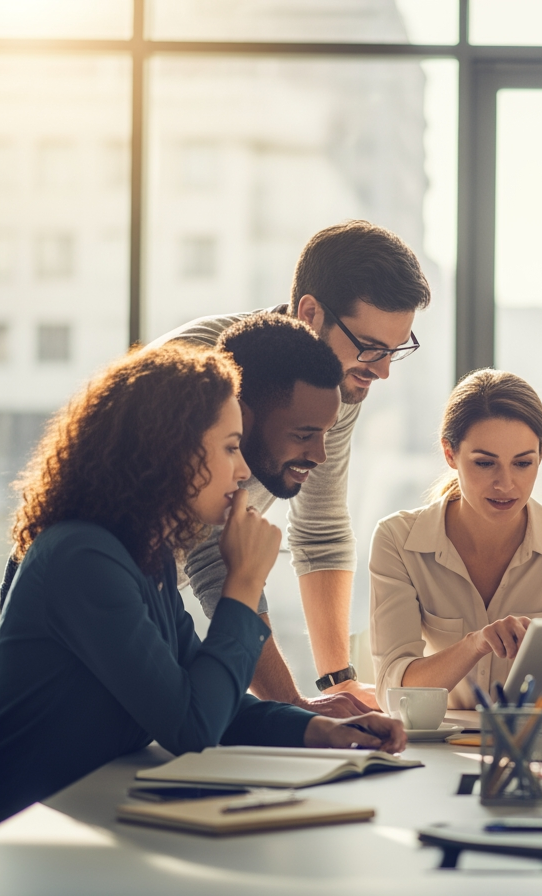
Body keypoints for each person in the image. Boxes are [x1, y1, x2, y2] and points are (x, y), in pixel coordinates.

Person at [0, 344, 404, 821]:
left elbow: (206, 697)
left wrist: (317, 728)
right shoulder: (84, 558)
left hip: (93, 813)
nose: (242, 471)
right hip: (20, 835)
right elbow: (193, 726)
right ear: (169, 451)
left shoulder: (146, 558)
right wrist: (242, 582)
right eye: (229, 448)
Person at [155, 220, 432, 711]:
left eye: (396, 350)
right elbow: (212, 551)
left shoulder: (341, 382)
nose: (383, 370)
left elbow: (320, 528)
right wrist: (295, 710)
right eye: (370, 347)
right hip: (97, 578)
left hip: (153, 584)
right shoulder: (206, 373)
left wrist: (337, 683)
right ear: (310, 313)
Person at [369, 369, 542, 710]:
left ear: (541, 456)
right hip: (441, 746)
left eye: (523, 463)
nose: (505, 484)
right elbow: (396, 693)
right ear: (450, 454)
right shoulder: (397, 540)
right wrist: (475, 644)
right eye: (484, 463)